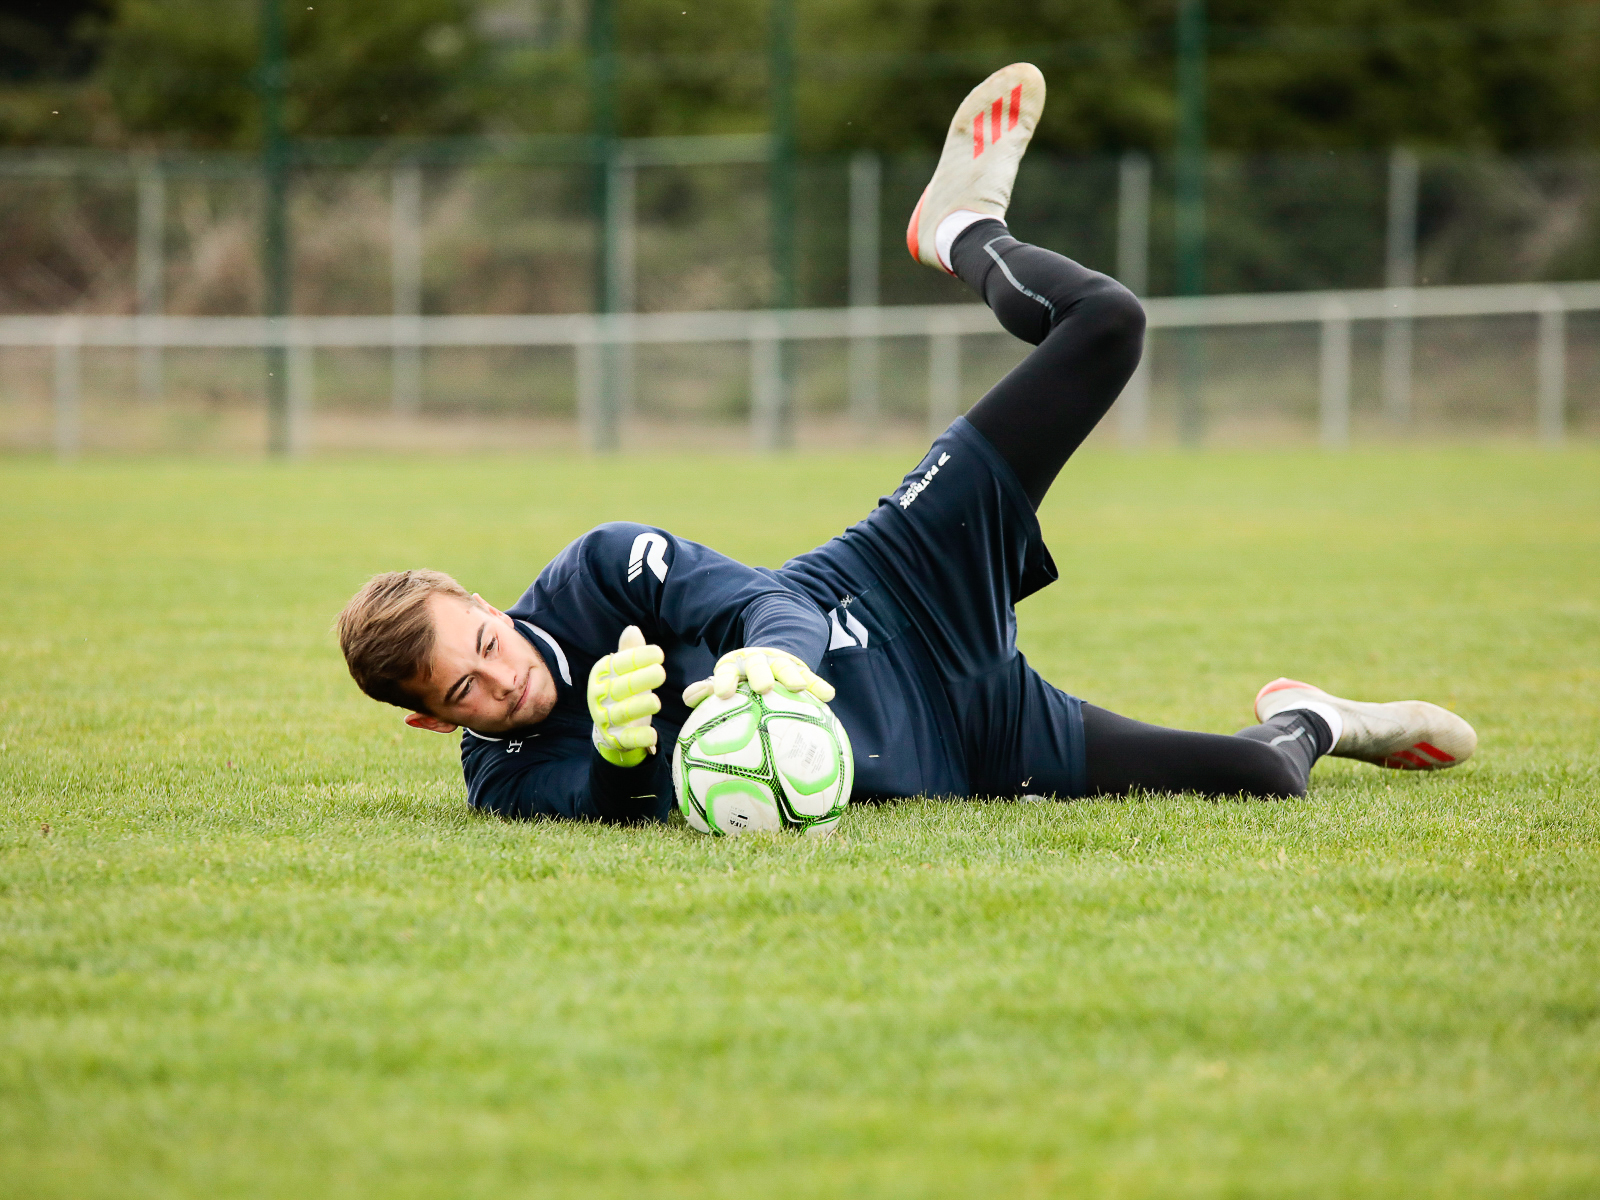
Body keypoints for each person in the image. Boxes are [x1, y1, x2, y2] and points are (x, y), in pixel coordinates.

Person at [335, 64, 1476, 824]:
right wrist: (626, 755)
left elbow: (753, 605)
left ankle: (961, 227)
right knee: (1258, 782)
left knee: (1108, 324)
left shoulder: (593, 572)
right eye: (468, 688)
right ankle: (1322, 715)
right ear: (433, 720)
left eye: (483, 638)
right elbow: (589, 793)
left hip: (893, 585)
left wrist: (775, 661)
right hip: (968, 741)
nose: (502, 674)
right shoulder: (505, 777)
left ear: (484, 600)